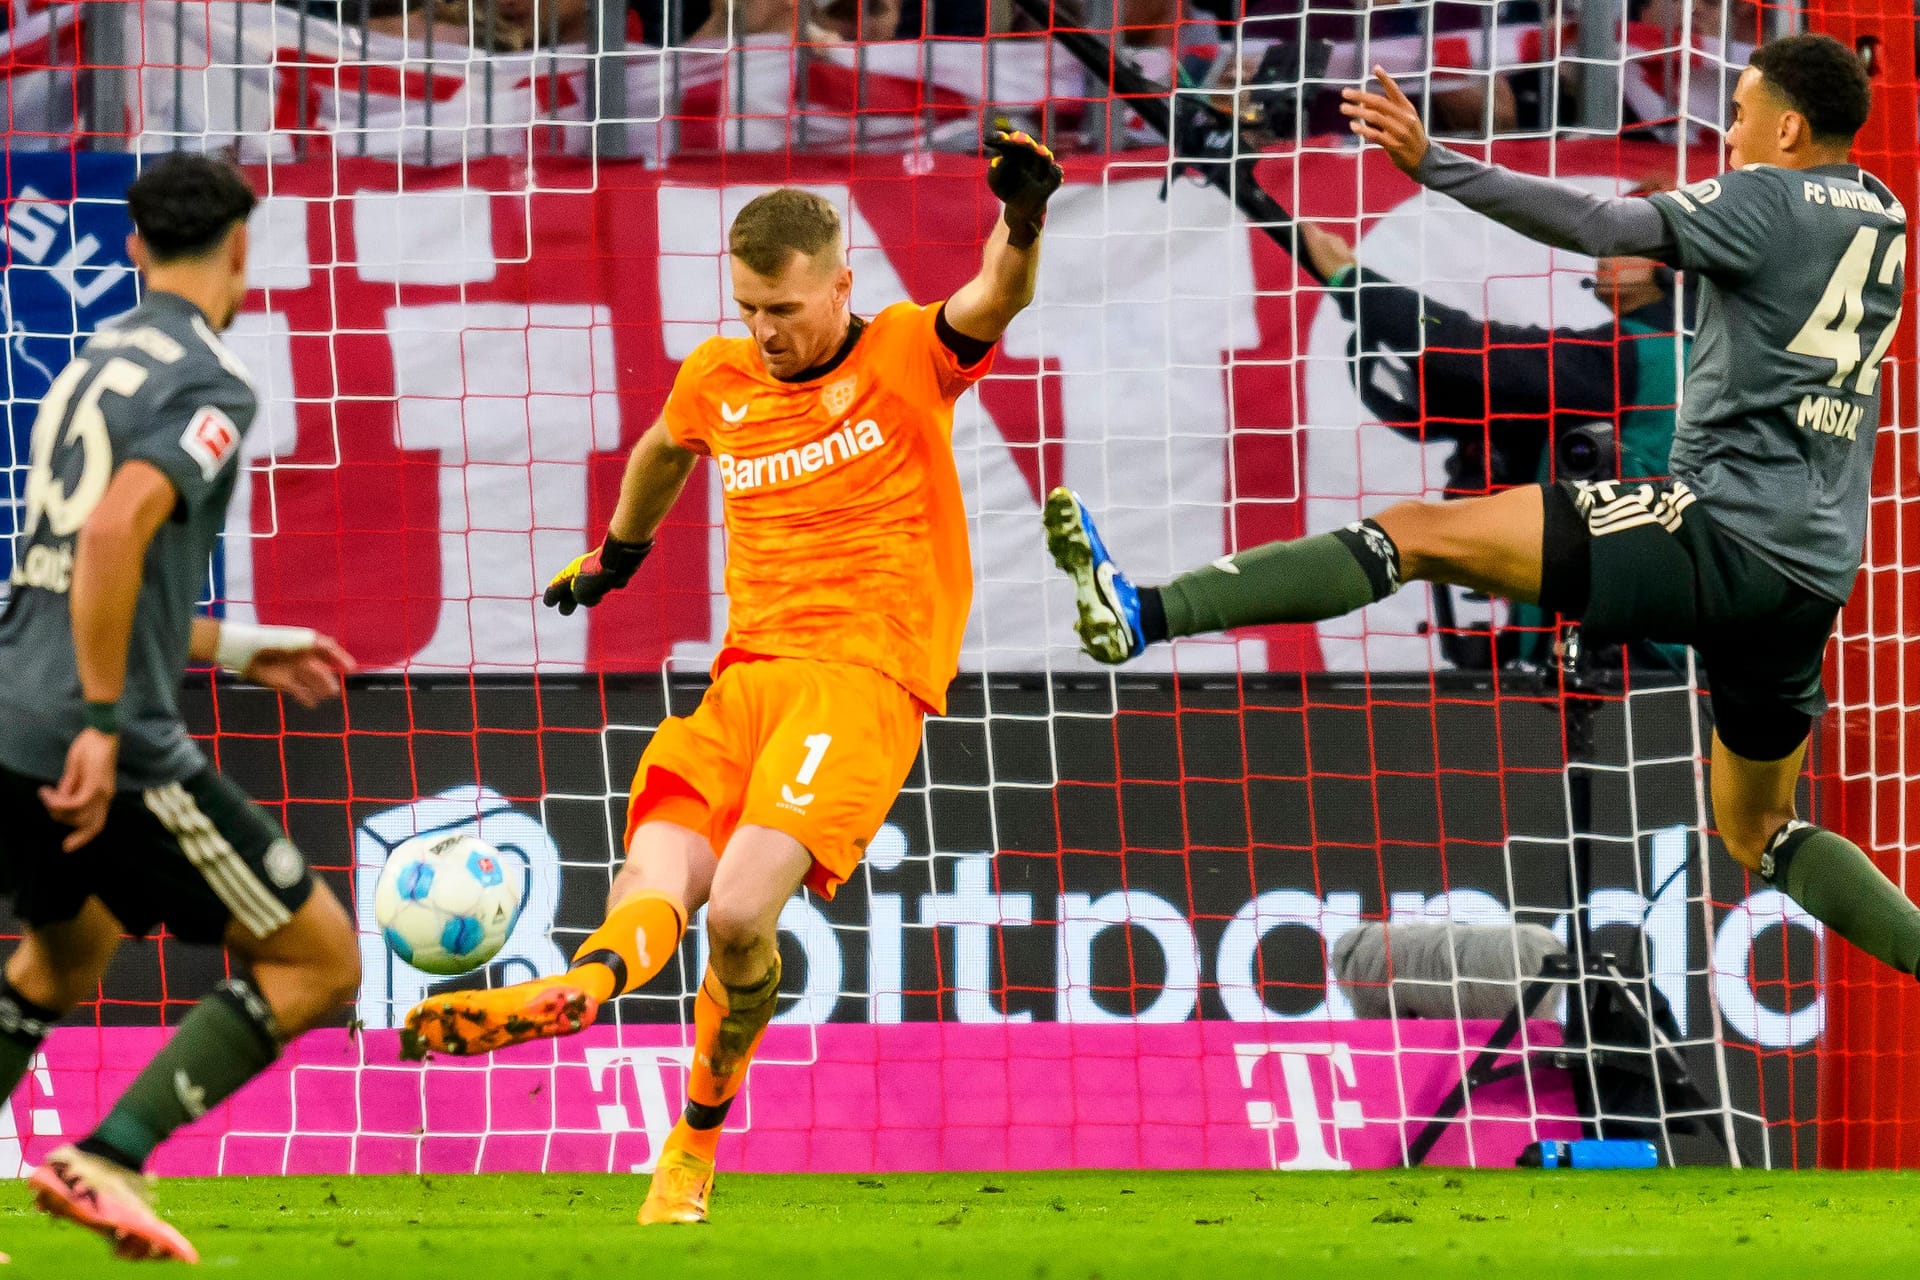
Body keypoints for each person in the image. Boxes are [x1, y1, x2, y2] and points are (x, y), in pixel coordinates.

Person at [1046, 36, 1920, 977]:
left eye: (1741, 114)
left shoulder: (1756, 202)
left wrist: (1433, 162)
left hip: (1713, 534)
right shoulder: (1885, 214)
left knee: (1417, 534)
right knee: (1763, 832)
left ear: (1788, 127)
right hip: (1811, 577)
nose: (1730, 134)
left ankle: (1143, 612)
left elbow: (1600, 222)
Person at [402, 130, 1062, 1225]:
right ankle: (585, 986)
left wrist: (1025, 216)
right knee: (656, 870)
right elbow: (665, 446)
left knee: (743, 913)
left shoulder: (906, 349)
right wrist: (618, 553)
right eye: (748, 307)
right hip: (743, 678)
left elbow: (997, 292)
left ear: (840, 284)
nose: (764, 332)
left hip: (860, 678)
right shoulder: (720, 376)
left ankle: (692, 1147)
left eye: (785, 310)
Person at [0, 154, 361, 1261]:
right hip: (99, 738)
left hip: (14, 706)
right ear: (242, 249)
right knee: (320, 961)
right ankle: (106, 1153)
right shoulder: (212, 381)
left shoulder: (87, 364)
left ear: (135, 249)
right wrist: (108, 726)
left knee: (65, 957)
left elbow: (75, 569)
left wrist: (241, 646)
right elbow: (114, 532)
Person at [1297, 214, 1690, 670]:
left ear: (1674, 263)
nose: (1603, 253)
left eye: (1625, 243)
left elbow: (1468, 350)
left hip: (1635, 661)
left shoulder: (1641, 354)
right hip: (1654, 647)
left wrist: (1350, 279)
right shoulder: (1688, 351)